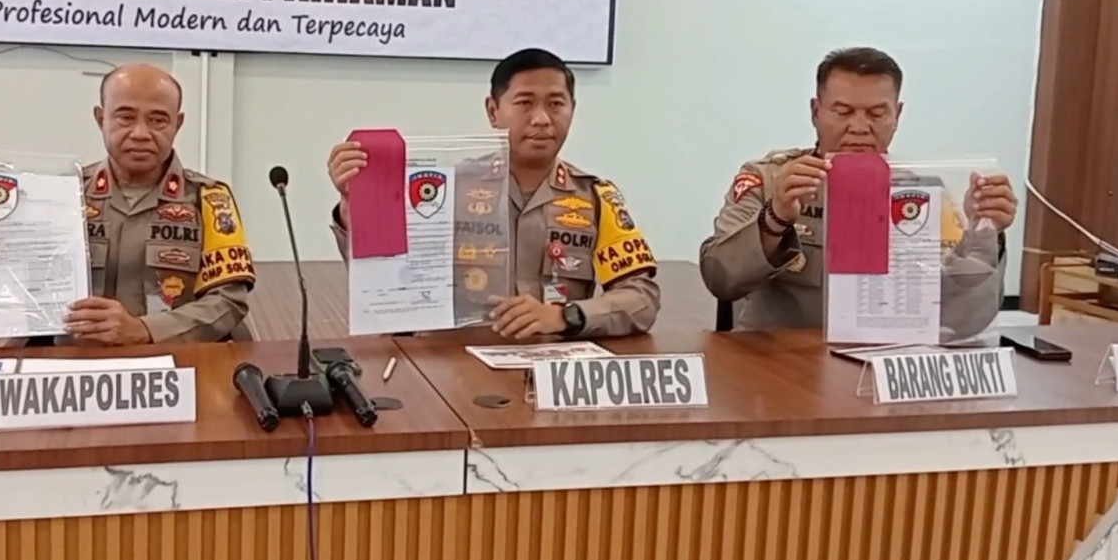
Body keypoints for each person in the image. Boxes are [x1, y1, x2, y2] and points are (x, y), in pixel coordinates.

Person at [0, 63, 255, 344]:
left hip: (171, 367)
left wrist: (145, 330)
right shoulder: (57, 194)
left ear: (178, 124)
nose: (141, 133)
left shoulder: (209, 200)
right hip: (66, 371)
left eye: (158, 120)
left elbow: (228, 301)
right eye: (125, 117)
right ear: (101, 118)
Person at [325, 48, 661, 339]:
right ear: (493, 111)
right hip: (453, 365)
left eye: (556, 104)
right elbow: (384, 278)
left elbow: (641, 298)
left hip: (553, 367)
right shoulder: (444, 190)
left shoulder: (596, 198)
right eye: (525, 103)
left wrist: (565, 316)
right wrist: (357, 204)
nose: (542, 119)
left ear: (573, 109)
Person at [698, 47, 1019, 343]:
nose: (860, 127)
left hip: (880, 365)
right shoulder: (770, 180)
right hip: (781, 365)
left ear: (897, 115)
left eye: (877, 113)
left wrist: (984, 232)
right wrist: (776, 217)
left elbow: (962, 320)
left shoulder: (921, 195)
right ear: (816, 111)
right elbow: (720, 278)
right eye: (843, 111)